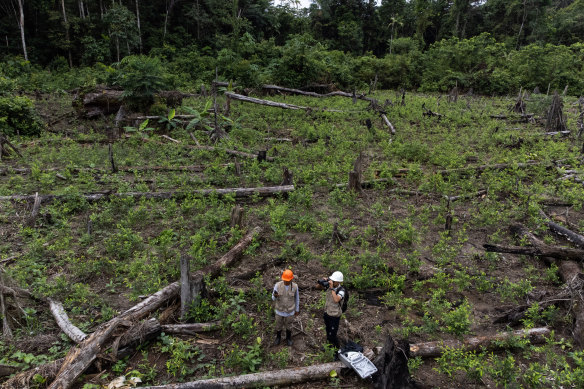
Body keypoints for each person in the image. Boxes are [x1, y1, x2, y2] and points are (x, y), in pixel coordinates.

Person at [316, 271, 345, 349]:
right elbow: (317, 287)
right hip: (327, 312)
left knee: (333, 335)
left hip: (335, 316)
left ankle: (336, 350)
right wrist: (322, 282)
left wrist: (332, 288)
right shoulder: (329, 286)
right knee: (328, 331)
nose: (332, 281)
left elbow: (336, 300)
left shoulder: (341, 290)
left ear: (338, 282)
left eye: (333, 281)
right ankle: (328, 346)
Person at [272, 269, 299, 346]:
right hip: (279, 310)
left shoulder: (295, 287)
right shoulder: (277, 285)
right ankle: (278, 337)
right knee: (278, 325)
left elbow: (297, 299)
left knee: (289, 325)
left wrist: (297, 309)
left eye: (287, 280)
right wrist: (275, 296)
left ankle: (288, 338)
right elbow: (273, 298)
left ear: (291, 279)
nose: (286, 282)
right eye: (284, 280)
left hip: (290, 311)